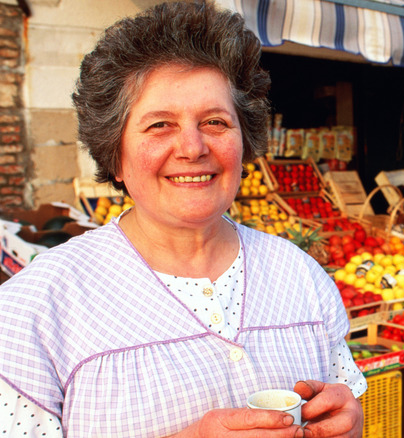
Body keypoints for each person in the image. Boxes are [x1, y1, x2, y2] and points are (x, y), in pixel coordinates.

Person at [0, 2, 365, 437]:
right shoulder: (37, 308)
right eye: (159, 126)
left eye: (214, 121)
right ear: (113, 154)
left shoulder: (301, 276)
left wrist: (347, 425)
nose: (192, 147)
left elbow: (342, 409)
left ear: (244, 143)